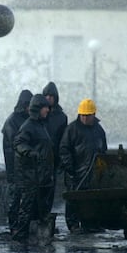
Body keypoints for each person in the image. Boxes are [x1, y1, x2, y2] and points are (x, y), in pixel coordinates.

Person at [59, 98, 107, 233]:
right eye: (83, 115)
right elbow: (64, 150)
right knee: (73, 198)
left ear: (94, 115)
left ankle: (90, 224)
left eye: (88, 115)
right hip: (75, 171)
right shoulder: (72, 129)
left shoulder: (99, 130)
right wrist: (70, 168)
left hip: (93, 172)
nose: (85, 118)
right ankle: (73, 224)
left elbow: (104, 149)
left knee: (91, 199)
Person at [11, 94, 54, 243]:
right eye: (45, 107)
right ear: (37, 109)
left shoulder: (41, 125)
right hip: (30, 176)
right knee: (27, 207)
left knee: (37, 208)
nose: (47, 110)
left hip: (40, 175)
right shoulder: (29, 126)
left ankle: (32, 236)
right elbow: (18, 142)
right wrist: (31, 152)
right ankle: (20, 237)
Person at [1, 89, 33, 235]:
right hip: (14, 166)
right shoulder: (12, 121)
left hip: (24, 166)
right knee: (15, 197)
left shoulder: (27, 119)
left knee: (23, 198)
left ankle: (21, 225)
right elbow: (14, 144)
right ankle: (13, 225)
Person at [42, 82, 68, 212]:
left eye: (51, 96)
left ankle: (46, 214)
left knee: (51, 188)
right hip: (40, 157)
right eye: (46, 95)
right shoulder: (40, 114)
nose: (48, 98)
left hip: (54, 158)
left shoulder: (62, 117)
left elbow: (64, 140)